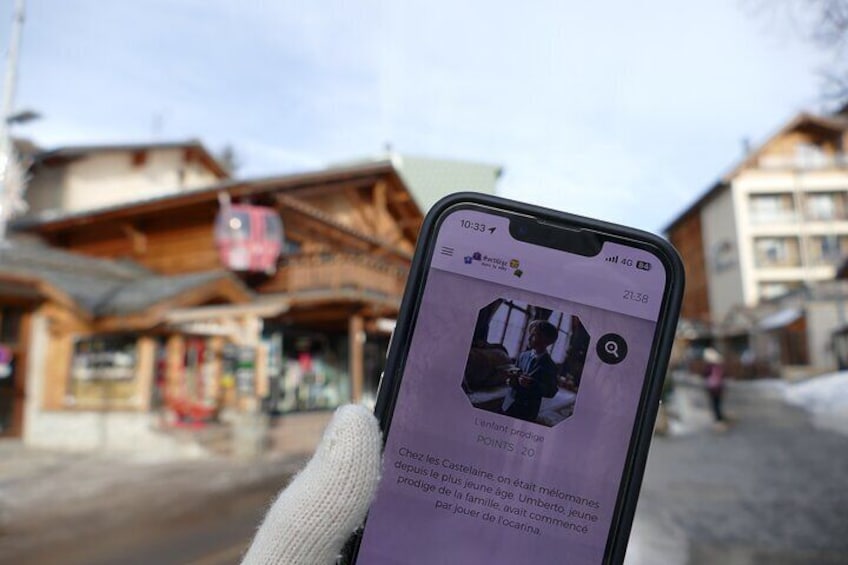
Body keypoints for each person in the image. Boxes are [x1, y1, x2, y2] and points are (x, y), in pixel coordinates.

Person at [502, 320, 559, 423]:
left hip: (527, 412)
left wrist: (532, 384)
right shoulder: (523, 355)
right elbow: (515, 373)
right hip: (509, 404)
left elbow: (551, 392)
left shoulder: (550, 366)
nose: (529, 338)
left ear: (546, 340)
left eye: (534, 335)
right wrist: (511, 381)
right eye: (530, 334)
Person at [702, 347, 727, 431]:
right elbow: (723, 375)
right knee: (718, 403)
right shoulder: (719, 366)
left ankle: (718, 420)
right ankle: (719, 418)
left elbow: (705, 375)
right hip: (719, 387)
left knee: (714, 404)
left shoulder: (709, 367)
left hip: (712, 388)